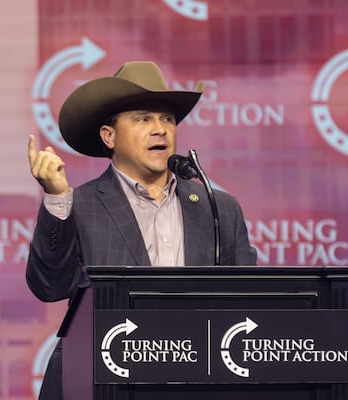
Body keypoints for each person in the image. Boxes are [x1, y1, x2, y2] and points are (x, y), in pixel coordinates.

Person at [26, 61, 257, 399]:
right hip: (103, 383)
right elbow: (49, 287)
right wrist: (57, 197)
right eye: (143, 119)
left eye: (167, 119)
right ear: (109, 136)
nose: (160, 129)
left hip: (198, 382)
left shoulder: (217, 207)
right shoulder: (81, 204)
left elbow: (251, 303)